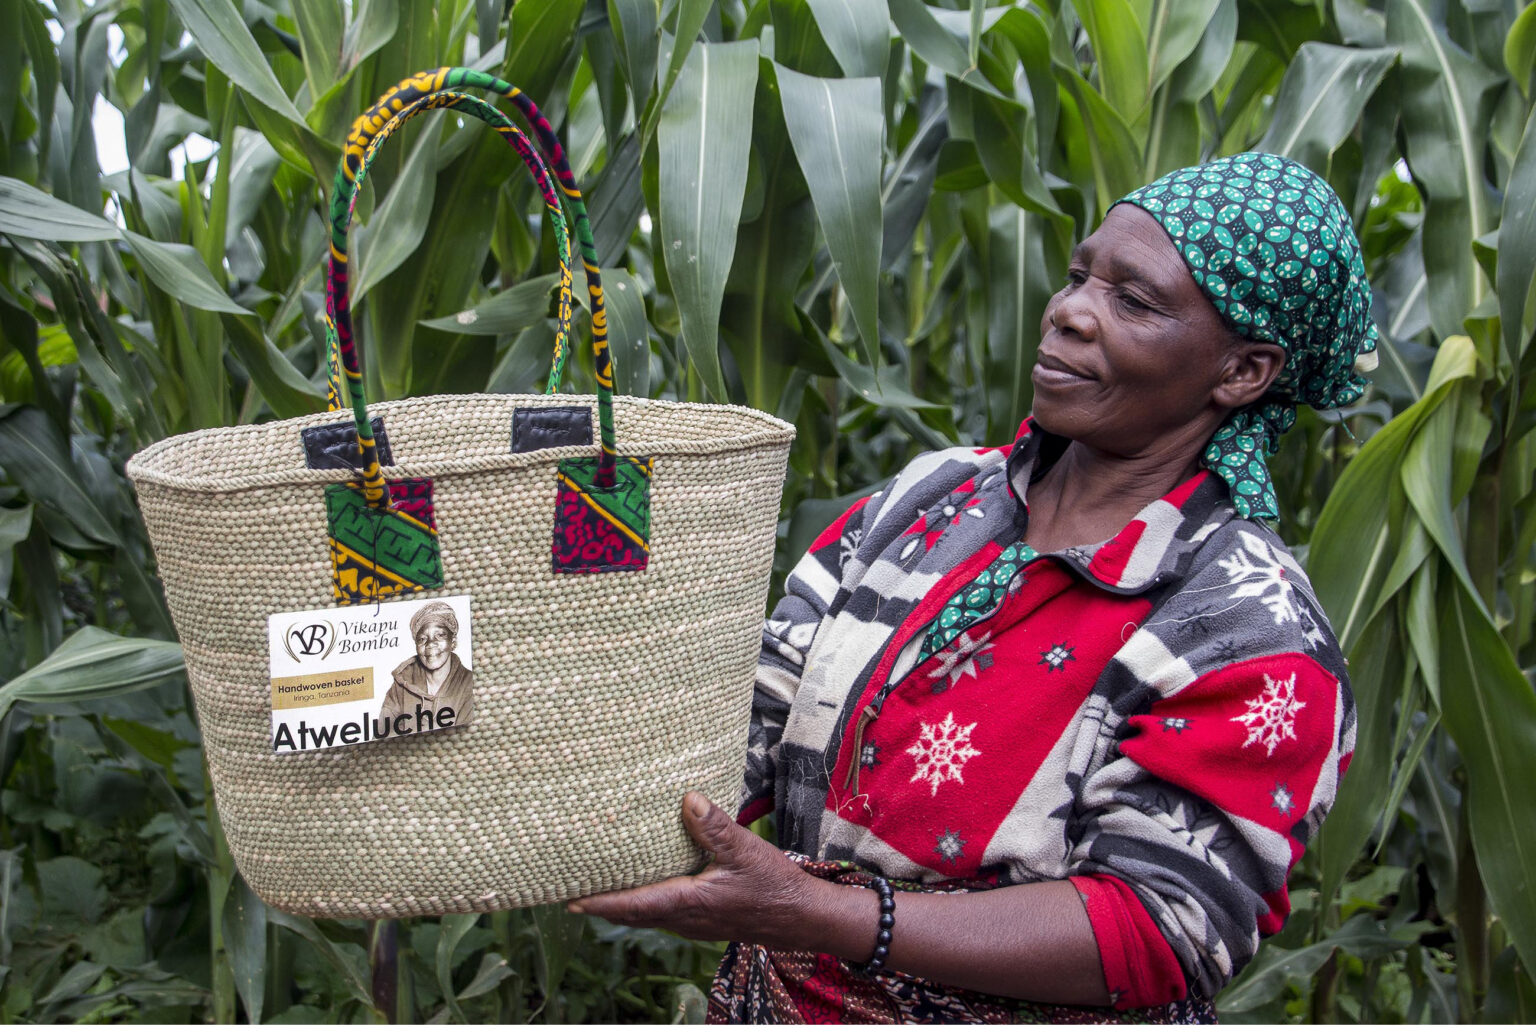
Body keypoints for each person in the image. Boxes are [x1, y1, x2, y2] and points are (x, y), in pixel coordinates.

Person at [569, 153, 1377, 1023]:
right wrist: (562, 795)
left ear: (1243, 372)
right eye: (1078, 277)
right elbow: (752, 713)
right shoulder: (931, 497)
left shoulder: (1252, 628)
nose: (1069, 311)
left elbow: (1159, 927)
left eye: (1134, 302)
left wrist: (821, 915)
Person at [380, 601, 474, 734]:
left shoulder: (468, 684)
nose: (430, 644)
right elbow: (381, 735)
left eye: (439, 635)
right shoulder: (401, 683)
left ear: (453, 642)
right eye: (422, 639)